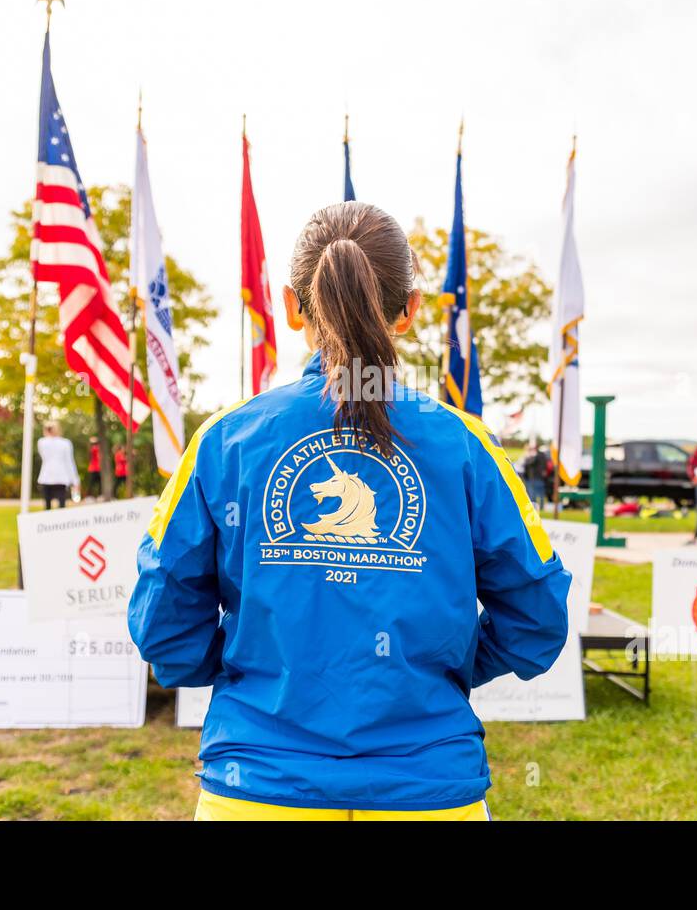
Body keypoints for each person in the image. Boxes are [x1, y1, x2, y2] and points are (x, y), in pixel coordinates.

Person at [129, 201, 570, 821]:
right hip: (428, 791)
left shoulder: (225, 440)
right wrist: (445, 668)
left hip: (257, 789)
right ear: (412, 311)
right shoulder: (466, 446)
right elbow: (537, 621)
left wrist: (250, 664)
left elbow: (163, 626)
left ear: (290, 305)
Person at [37, 421, 80, 510]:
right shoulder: (65, 443)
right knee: (61, 506)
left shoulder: (42, 442)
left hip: (48, 477)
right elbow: (69, 462)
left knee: (48, 506)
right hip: (60, 477)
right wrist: (75, 480)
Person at [521, 442, 548, 510]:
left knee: (533, 494)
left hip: (533, 477)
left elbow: (528, 463)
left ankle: (535, 507)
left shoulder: (535, 455)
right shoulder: (543, 455)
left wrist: (529, 457)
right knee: (540, 494)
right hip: (539, 478)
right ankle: (540, 507)